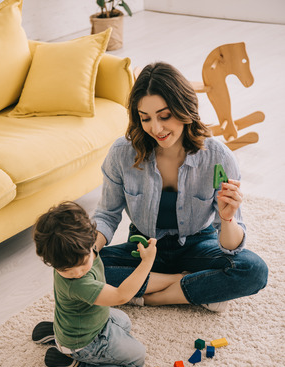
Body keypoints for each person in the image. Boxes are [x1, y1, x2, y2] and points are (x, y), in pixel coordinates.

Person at [92, 62, 268, 312]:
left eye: (165, 116)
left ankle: (152, 297)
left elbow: (232, 246)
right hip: (145, 248)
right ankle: (188, 285)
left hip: (198, 244)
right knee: (86, 269)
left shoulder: (218, 157)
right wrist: (87, 253)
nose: (156, 128)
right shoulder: (122, 154)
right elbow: (107, 215)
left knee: (253, 270)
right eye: (146, 118)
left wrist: (227, 220)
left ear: (185, 108)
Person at [31, 201, 180, 367]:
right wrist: (147, 262)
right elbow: (121, 296)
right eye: (66, 270)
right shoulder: (79, 283)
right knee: (137, 358)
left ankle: (61, 334)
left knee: (125, 322)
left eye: (82, 263)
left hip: (89, 320)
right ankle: (75, 364)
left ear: (90, 241)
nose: (77, 273)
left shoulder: (80, 249)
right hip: (86, 342)